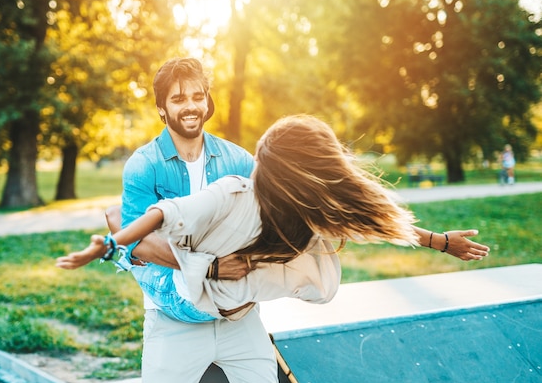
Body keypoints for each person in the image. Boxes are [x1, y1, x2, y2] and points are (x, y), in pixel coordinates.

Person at [57, 58, 490, 383]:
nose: (189, 106)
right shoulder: (144, 166)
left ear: (207, 101)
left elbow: (335, 204)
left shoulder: (237, 160)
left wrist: (436, 239)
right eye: (177, 99)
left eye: (196, 96)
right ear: (161, 109)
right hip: (174, 320)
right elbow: (138, 245)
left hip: (238, 319)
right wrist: (207, 266)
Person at [57, 114, 491, 324]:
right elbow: (366, 221)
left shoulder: (296, 207)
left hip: (203, 300)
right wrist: (440, 242)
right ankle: (124, 252)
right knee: (135, 227)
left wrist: (438, 240)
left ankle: (124, 250)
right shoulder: (262, 199)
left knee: (134, 222)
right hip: (192, 296)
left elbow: (365, 219)